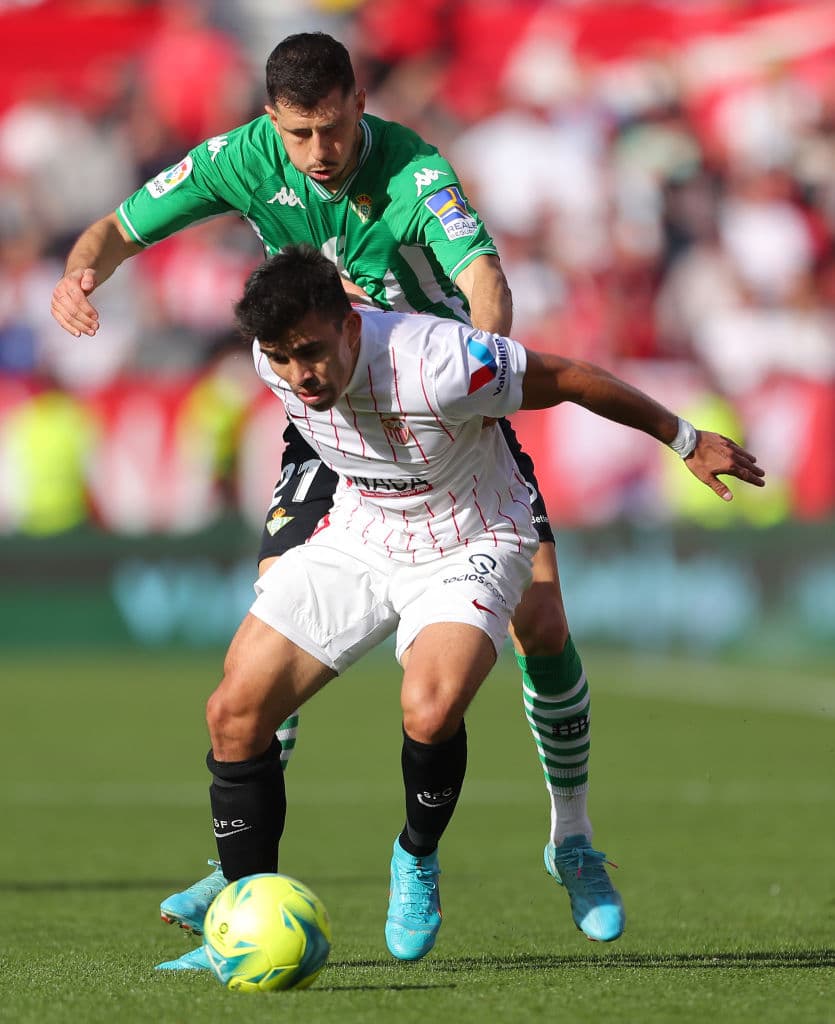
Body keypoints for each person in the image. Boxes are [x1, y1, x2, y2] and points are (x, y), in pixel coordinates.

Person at [51, 32, 647, 963]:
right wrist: (82, 273)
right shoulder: (238, 160)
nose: (318, 152)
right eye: (298, 134)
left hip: (432, 408)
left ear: (359, 102)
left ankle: (570, 837)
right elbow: (119, 228)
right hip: (323, 405)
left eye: (332, 128)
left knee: (541, 613)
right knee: (275, 612)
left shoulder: (416, 173)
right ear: (271, 122)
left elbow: (483, 278)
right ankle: (237, 865)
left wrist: (483, 369)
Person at [192, 244, 765, 967]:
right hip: (362, 532)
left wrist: (683, 438)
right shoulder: (268, 359)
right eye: (279, 357)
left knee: (429, 709)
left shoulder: (440, 361)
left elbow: (570, 377)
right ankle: (244, 918)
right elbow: (288, 371)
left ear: (350, 325)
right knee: (233, 714)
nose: (298, 375)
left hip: (471, 536)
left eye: (310, 351)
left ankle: (417, 857)